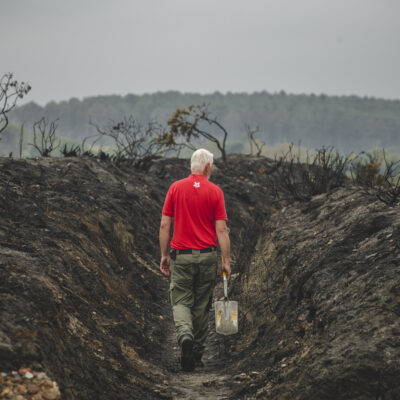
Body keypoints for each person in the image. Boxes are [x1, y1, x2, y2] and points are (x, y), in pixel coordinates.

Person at [159, 148, 231, 372]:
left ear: (192, 165)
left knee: (180, 300)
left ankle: (185, 336)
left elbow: (164, 225)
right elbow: (222, 230)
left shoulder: (175, 188)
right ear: (208, 167)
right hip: (208, 256)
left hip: (182, 256)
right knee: (201, 305)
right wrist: (226, 261)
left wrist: (164, 255)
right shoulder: (215, 191)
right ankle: (197, 354)